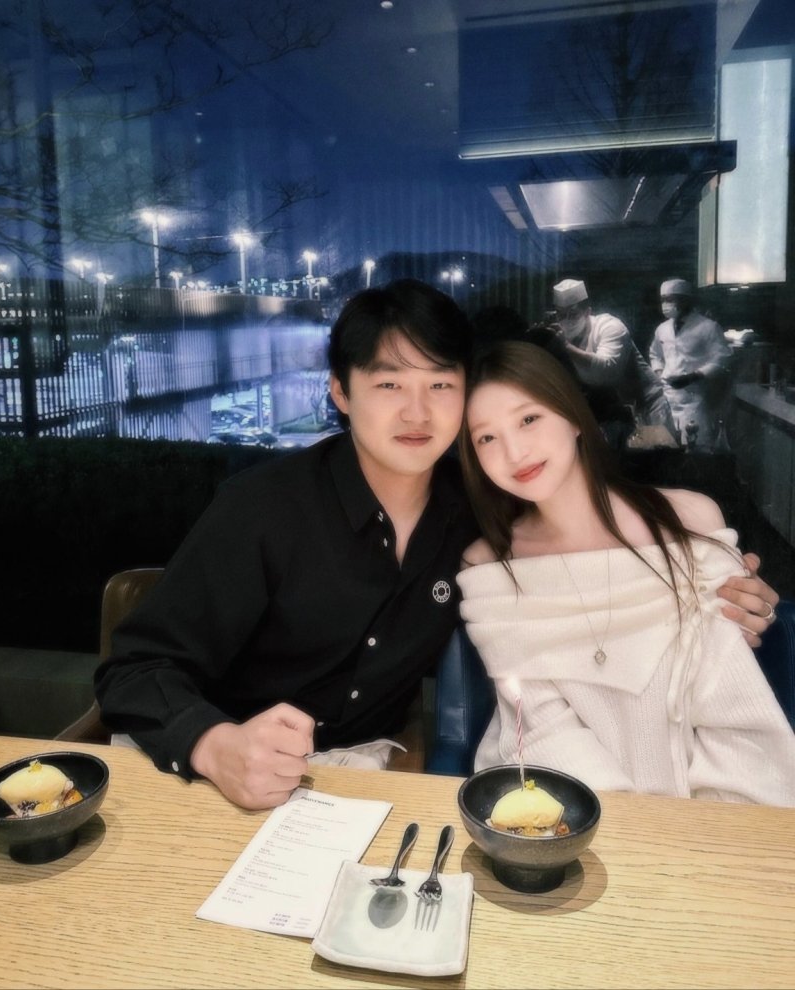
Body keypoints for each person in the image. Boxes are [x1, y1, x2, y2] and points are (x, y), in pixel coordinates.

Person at [94, 280, 779, 811]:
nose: (417, 412)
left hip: (358, 775)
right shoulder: (263, 509)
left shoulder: (479, 518)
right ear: (340, 392)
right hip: (205, 774)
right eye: (389, 384)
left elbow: (588, 562)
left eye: (441, 385)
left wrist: (719, 583)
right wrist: (215, 745)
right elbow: (133, 670)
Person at [457, 340, 795, 804]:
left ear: (574, 417)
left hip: (713, 811)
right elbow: (542, 727)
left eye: (529, 419)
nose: (514, 452)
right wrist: (621, 825)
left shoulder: (688, 521)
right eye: (486, 438)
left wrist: (705, 827)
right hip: (564, 806)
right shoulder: (490, 566)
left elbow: (732, 706)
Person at [552, 278, 676, 439]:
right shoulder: (560, 336)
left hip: (648, 408)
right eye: (560, 315)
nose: (566, 320)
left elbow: (607, 371)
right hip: (615, 415)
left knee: (657, 451)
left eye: (573, 314)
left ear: (587, 312)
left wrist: (566, 347)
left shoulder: (610, 327)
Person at [649, 278, 733, 447]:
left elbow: (722, 358)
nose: (665, 304)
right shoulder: (662, 329)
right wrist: (659, 373)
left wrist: (693, 377)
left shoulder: (708, 327)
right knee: (666, 448)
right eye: (663, 300)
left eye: (670, 299)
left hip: (695, 399)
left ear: (686, 300)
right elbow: (655, 354)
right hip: (667, 398)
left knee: (695, 447)